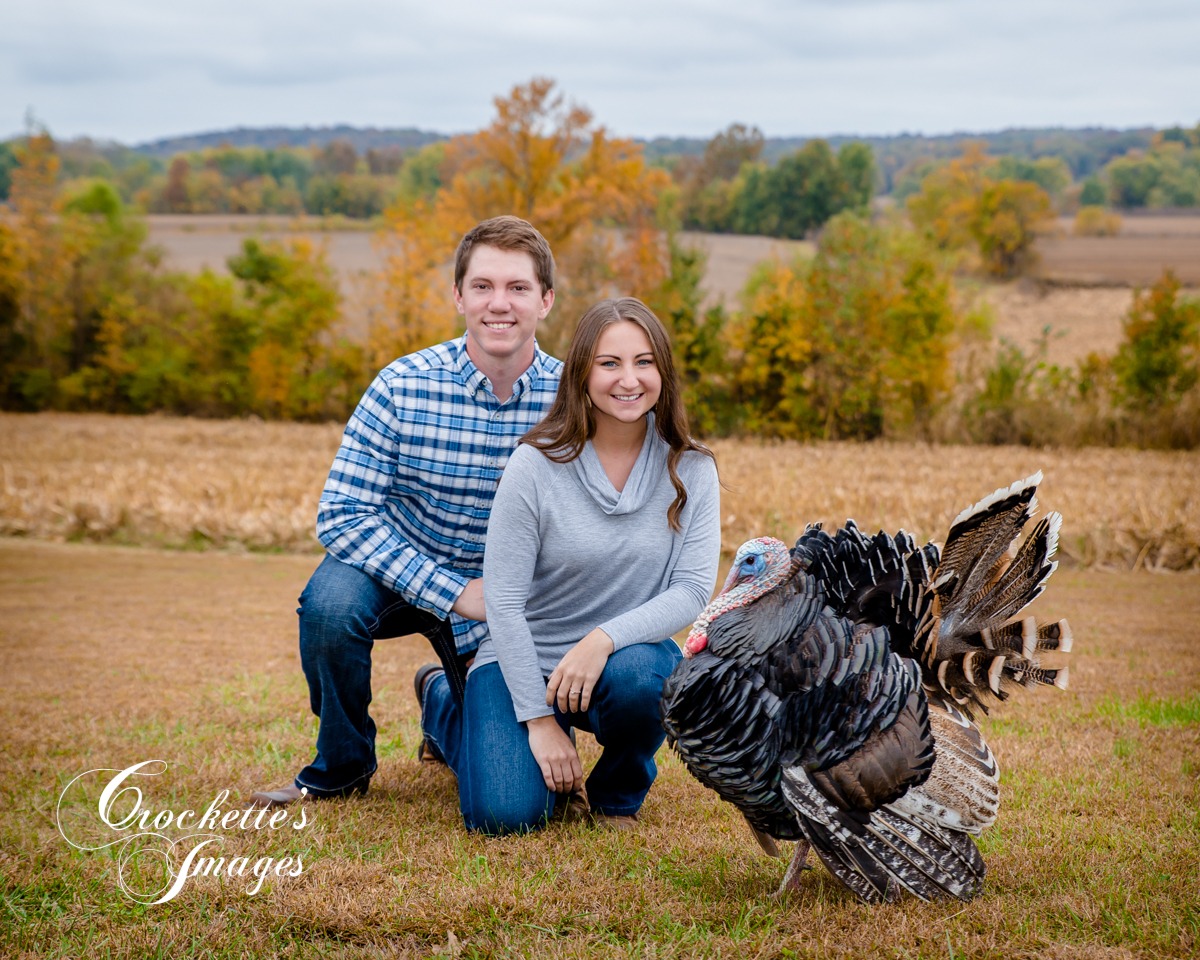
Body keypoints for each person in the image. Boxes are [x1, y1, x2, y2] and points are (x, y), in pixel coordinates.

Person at [250, 216, 562, 808]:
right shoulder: (402, 385)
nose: (500, 304)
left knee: (505, 788)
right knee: (329, 606)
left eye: (519, 288)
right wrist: (451, 591)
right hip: (394, 567)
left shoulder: (570, 400)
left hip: (504, 597)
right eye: (483, 286)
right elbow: (342, 514)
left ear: (545, 300)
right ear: (458, 296)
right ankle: (342, 767)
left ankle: (441, 699)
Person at [417, 297, 721, 834]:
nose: (628, 379)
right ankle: (444, 700)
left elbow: (694, 589)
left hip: (617, 662)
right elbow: (505, 603)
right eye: (609, 363)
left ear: (664, 373)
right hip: (523, 660)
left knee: (650, 677)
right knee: (506, 815)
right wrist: (538, 721)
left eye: (644, 362)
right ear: (581, 374)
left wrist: (602, 639)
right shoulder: (534, 464)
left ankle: (615, 794)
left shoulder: (690, 466)